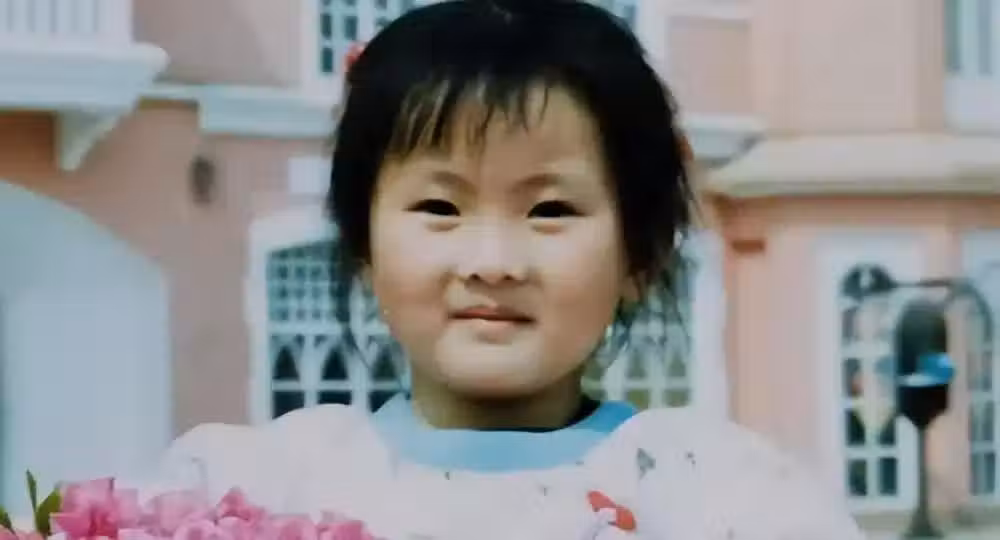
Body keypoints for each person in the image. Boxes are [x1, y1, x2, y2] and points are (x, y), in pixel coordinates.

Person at [143, 1, 865, 538]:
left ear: (639, 255)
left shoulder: (727, 499)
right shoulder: (253, 494)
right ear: (364, 244)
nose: (492, 263)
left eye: (550, 210)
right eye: (440, 206)